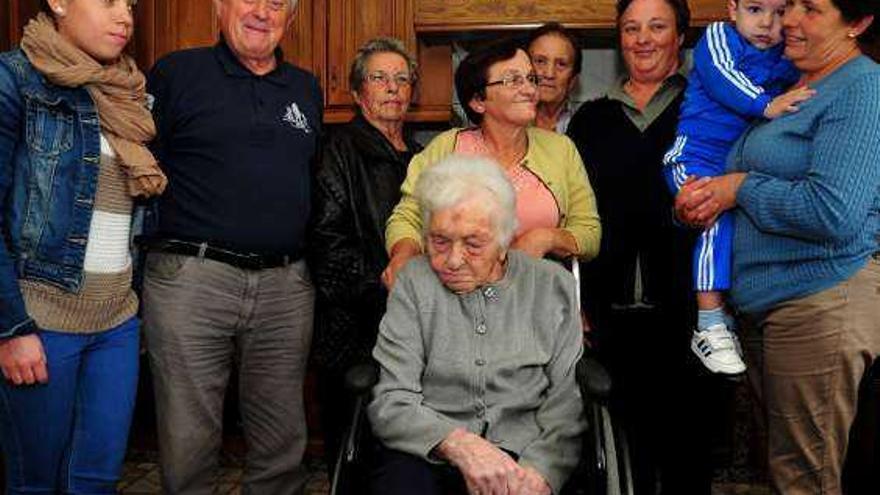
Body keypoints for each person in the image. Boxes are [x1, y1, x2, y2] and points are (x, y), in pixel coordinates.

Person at [675, 0, 880, 490]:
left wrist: (737, 188)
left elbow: (833, 212)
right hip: (769, 308)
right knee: (786, 474)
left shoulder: (861, 86)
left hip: (820, 299)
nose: (787, 20)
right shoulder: (788, 83)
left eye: (811, 9)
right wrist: (701, 200)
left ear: (857, 23)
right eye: (791, 5)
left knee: (802, 480)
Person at [139, 0, 322, 492]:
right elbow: (134, 170)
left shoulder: (306, 87)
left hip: (287, 285)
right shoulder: (176, 73)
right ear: (220, 6)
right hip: (192, 281)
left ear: (293, 16)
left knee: (282, 439)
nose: (263, 11)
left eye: (278, 2)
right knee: (189, 438)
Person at [0, 0, 166, 492]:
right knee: (36, 484)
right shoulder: (16, 81)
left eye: (131, 5)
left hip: (115, 324)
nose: (125, 18)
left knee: (96, 481)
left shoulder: (128, 93)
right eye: (109, 1)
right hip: (41, 326)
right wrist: (10, 329)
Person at [566, 0, 723, 492]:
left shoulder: (708, 109)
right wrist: (578, 305)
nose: (643, 39)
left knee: (686, 463)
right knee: (615, 465)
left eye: (657, 26)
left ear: (681, 36)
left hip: (690, 319)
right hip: (608, 324)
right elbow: (576, 220)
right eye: (631, 28)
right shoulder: (590, 121)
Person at [368, 155, 586, 495]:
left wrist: (542, 472)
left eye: (473, 244)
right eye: (439, 241)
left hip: (526, 451)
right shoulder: (413, 283)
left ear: (504, 242)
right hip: (430, 450)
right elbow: (392, 400)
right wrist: (457, 444)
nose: (453, 260)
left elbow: (566, 405)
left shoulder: (551, 286)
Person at [662, 0, 812, 375]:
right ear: (732, 9)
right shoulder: (717, 36)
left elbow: (802, 85)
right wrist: (766, 104)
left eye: (779, 13)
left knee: (740, 227)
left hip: (736, 164)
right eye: (755, 9)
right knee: (712, 216)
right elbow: (723, 78)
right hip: (695, 157)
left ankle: (727, 318)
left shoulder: (783, 55)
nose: (766, 22)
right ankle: (709, 322)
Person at [382, 37, 600, 288]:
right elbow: (407, 217)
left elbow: (589, 231)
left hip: (535, 300)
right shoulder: (447, 147)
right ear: (478, 101)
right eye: (512, 80)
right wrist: (404, 255)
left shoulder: (561, 150)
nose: (530, 90)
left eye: (530, 78)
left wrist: (546, 238)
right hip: (455, 301)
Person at [307, 36, 422, 469]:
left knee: (404, 453)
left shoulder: (422, 157)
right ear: (357, 92)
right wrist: (392, 287)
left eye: (401, 79)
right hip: (353, 330)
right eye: (379, 78)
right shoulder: (335, 151)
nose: (393, 87)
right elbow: (328, 247)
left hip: (411, 330)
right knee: (355, 453)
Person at [527, 22, 583, 133]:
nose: (549, 74)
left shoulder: (590, 123)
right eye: (540, 61)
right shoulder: (507, 121)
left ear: (573, 79)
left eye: (561, 64)